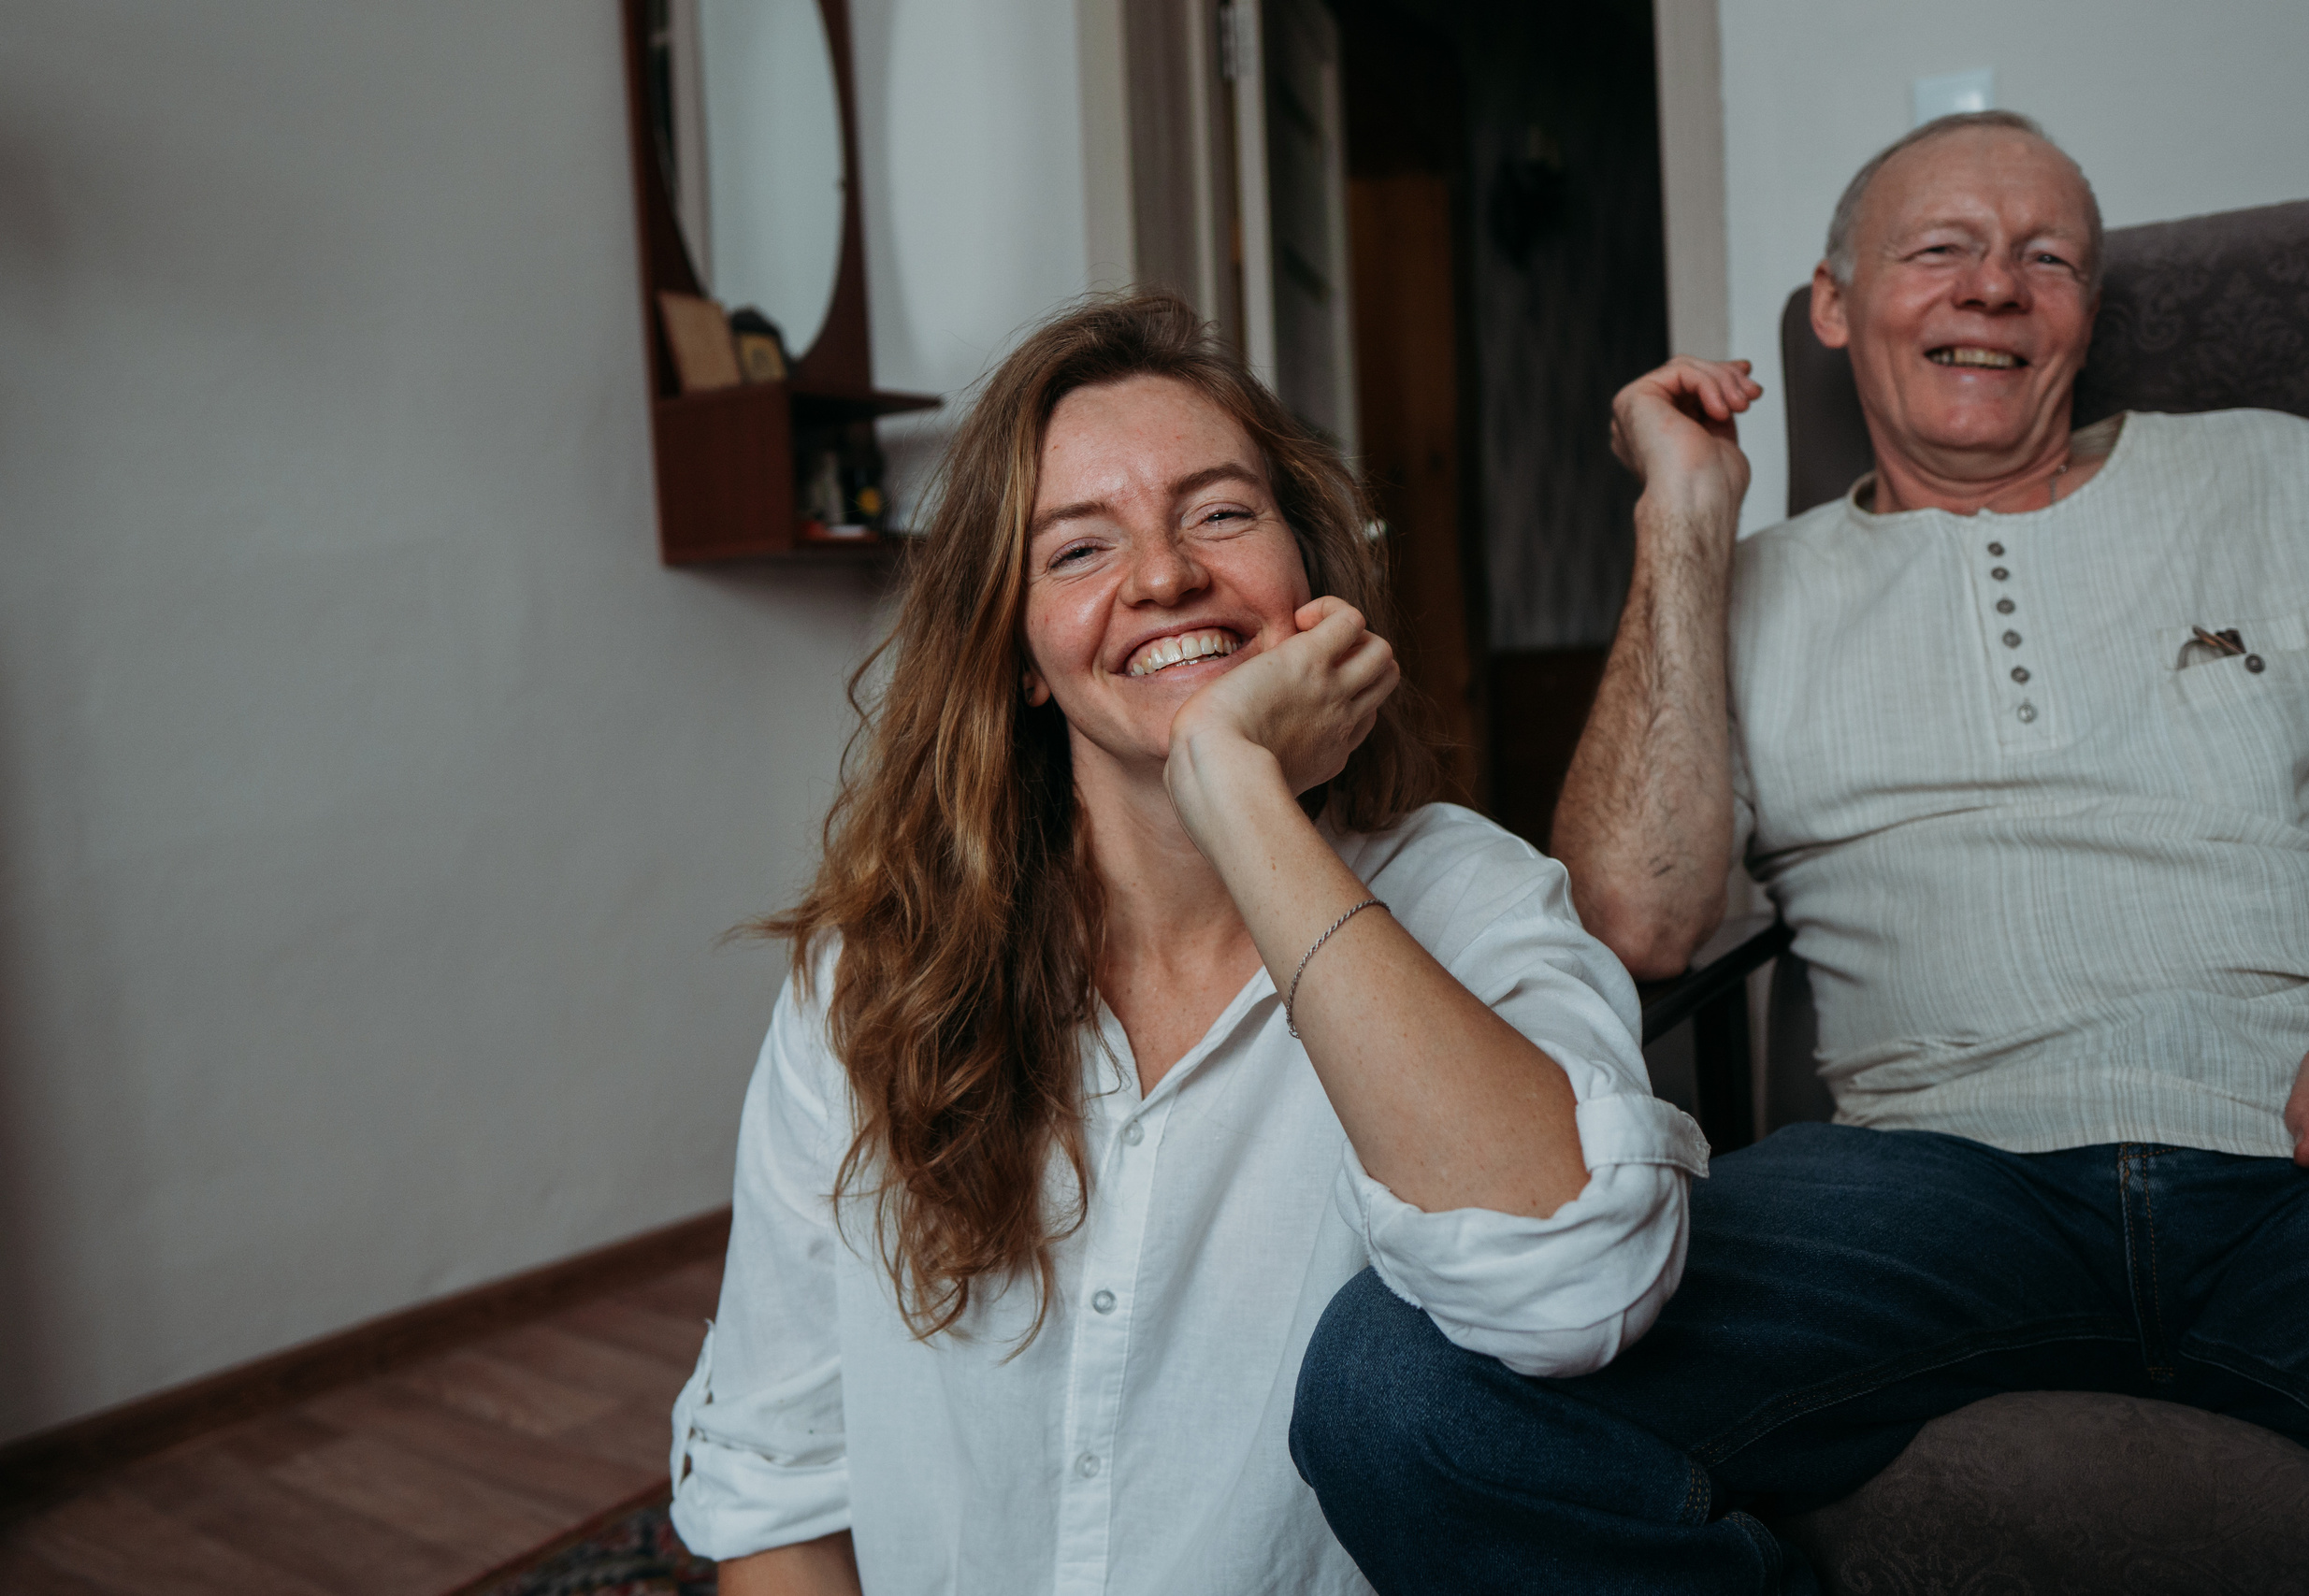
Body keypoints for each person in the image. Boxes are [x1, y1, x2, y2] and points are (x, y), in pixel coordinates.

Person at [1291, 112, 2309, 1592]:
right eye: (1939, 248)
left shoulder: (2292, 478)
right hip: (1942, 1187)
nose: (1993, 287)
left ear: (2088, 309)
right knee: (1398, 1389)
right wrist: (1683, 522)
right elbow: (1629, 916)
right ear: (1832, 306)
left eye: (2046, 257)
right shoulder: (1751, 584)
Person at [664, 294, 1706, 1595]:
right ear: (1024, 660)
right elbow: (775, 1474)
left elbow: (1578, 1288)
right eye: (1078, 550)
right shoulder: (868, 979)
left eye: (1220, 514)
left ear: (1309, 583)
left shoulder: (1470, 897)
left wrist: (1237, 789)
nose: (1163, 577)